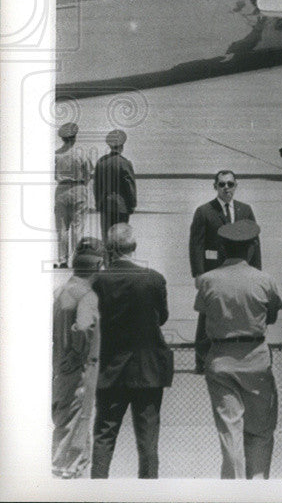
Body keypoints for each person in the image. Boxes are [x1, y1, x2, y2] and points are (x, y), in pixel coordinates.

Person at [195, 220, 282, 479]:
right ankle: (256, 486)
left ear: (222, 248)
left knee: (229, 430)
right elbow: (272, 317)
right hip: (255, 357)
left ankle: (233, 490)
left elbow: (204, 318)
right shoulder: (264, 280)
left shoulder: (208, 280)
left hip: (221, 358)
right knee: (260, 431)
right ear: (251, 248)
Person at [91, 224, 173, 479]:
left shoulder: (98, 281)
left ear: (110, 249)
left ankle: (97, 491)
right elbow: (162, 318)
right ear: (134, 247)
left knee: (104, 436)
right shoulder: (154, 279)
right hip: (147, 370)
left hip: (110, 369)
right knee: (148, 441)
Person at [190, 170, 261, 373]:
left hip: (240, 270)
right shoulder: (204, 211)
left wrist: (256, 270)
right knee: (207, 315)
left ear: (236, 185)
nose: (226, 188)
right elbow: (196, 244)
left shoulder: (245, 210)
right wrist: (198, 273)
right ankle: (201, 360)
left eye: (230, 184)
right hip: (214, 272)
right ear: (215, 187)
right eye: (222, 184)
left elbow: (254, 242)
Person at [52, 238, 104, 479]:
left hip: (60, 369)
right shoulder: (87, 296)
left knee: (63, 421)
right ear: (98, 265)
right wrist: (78, 353)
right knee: (79, 422)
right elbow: (83, 328)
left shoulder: (62, 290)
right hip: (80, 370)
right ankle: (70, 471)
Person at [54, 122, 93, 268]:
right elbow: (88, 173)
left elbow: (53, 175)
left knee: (62, 228)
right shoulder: (82, 153)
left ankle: (62, 260)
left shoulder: (56, 155)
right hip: (78, 187)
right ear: (74, 137)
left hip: (61, 190)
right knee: (78, 227)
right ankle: (77, 259)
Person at [93, 129, 137, 241]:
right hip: (121, 207)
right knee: (121, 238)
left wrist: (98, 203)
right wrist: (132, 205)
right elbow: (130, 186)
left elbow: (96, 186)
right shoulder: (124, 163)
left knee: (107, 237)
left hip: (105, 205)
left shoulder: (101, 162)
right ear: (122, 146)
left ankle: (107, 258)